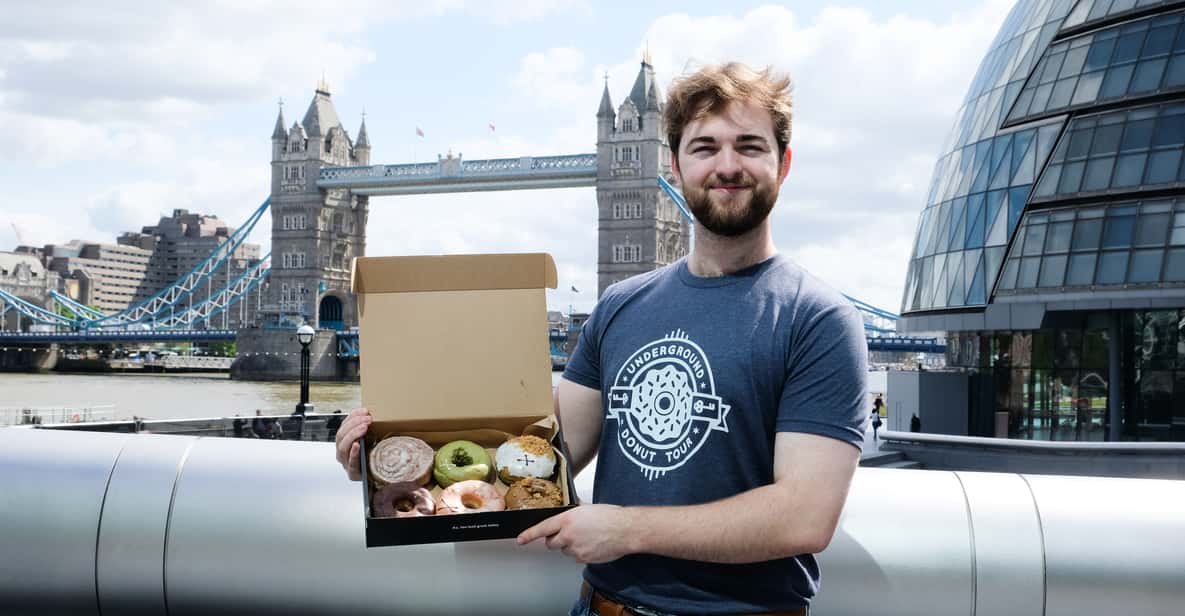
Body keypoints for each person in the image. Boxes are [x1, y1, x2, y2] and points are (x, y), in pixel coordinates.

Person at [335, 62, 868, 615]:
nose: (727, 165)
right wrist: (391, 456)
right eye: (705, 147)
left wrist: (627, 529)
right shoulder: (620, 306)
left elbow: (805, 516)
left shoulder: (819, 319)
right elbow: (547, 454)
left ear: (782, 164)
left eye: (750, 146)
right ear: (675, 165)